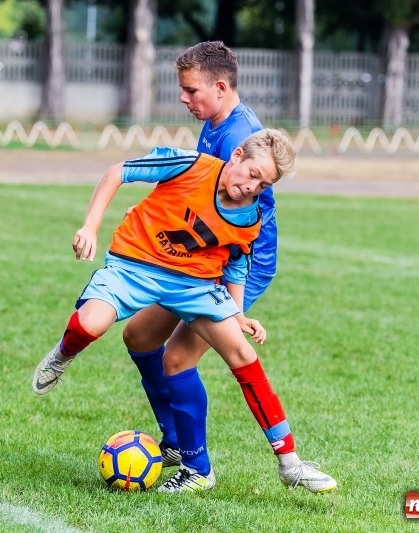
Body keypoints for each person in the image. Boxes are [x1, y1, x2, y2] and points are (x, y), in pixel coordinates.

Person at [32, 129, 336, 494]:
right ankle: (62, 356)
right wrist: (90, 226)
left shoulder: (249, 216)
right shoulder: (188, 164)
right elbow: (117, 172)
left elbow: (237, 265)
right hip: (134, 265)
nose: (253, 188)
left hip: (195, 286)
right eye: (253, 175)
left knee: (242, 353)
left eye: (264, 185)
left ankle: (288, 464)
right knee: (92, 325)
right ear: (237, 155)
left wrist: (237, 314)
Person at [122, 41, 318, 491]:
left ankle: (198, 470)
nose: (183, 98)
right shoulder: (217, 123)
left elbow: (239, 224)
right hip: (202, 256)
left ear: (221, 86)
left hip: (232, 264)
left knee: (176, 355)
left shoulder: (237, 138)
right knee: (139, 335)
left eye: (190, 90)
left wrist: (231, 299)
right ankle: (175, 440)